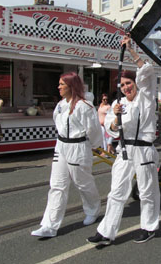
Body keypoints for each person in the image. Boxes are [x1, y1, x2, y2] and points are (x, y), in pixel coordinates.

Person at [87, 35, 160, 246]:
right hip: (125, 151)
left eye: (129, 83)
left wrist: (130, 50)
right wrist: (115, 118)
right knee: (116, 191)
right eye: (122, 85)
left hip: (144, 151)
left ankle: (149, 227)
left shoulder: (146, 97)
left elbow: (147, 71)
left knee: (147, 191)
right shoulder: (118, 103)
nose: (126, 87)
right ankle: (106, 231)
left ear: (135, 83)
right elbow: (112, 130)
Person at [31, 72, 103, 238]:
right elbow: (57, 122)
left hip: (78, 147)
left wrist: (92, 146)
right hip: (61, 146)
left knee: (82, 183)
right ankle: (49, 225)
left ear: (71, 86)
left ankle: (93, 208)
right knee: (57, 185)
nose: (58, 87)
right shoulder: (61, 105)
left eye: (62, 84)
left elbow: (94, 131)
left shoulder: (85, 107)